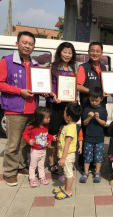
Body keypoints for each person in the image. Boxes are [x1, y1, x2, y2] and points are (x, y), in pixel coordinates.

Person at [0, 31, 39, 186]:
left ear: (34, 47)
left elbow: (40, 84)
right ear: (17, 43)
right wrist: (20, 91)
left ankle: (20, 166)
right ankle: (9, 172)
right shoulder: (7, 61)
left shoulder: (36, 65)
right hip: (14, 110)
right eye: (24, 42)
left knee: (26, 142)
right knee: (13, 143)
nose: (27, 46)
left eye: (31, 44)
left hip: (32, 110)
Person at [46, 42, 77, 175]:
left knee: (64, 135)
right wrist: (53, 95)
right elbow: (47, 85)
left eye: (70, 53)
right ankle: (51, 163)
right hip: (54, 105)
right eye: (65, 52)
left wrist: (74, 96)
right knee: (52, 135)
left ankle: (62, 159)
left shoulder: (72, 69)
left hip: (67, 106)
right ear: (59, 52)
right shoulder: (52, 67)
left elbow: (73, 87)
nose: (67, 55)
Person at [53, 102, 82, 200]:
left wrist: (63, 158)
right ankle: (65, 187)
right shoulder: (67, 126)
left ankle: (68, 191)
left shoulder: (70, 128)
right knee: (66, 173)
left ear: (68, 117)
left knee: (68, 174)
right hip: (65, 155)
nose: (63, 113)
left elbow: (67, 144)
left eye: (64, 112)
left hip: (68, 156)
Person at [22, 107, 56, 187]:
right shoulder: (32, 127)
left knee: (41, 165)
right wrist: (29, 140)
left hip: (43, 150)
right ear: (40, 118)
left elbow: (46, 135)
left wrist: (51, 137)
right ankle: (32, 179)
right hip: (35, 150)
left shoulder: (46, 126)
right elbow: (24, 134)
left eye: (49, 117)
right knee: (33, 165)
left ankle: (42, 177)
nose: (49, 119)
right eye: (47, 118)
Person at [80, 87, 107, 183]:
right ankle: (86, 172)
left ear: (101, 99)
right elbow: (84, 123)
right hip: (88, 138)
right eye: (92, 100)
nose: (94, 102)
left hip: (99, 138)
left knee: (98, 157)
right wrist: (88, 117)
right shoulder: (86, 109)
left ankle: (97, 172)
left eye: (96, 101)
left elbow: (104, 123)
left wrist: (98, 119)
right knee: (87, 156)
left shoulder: (103, 110)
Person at [76, 41, 107, 108]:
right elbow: (78, 86)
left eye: (98, 51)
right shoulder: (83, 67)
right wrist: (94, 93)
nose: (95, 53)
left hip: (101, 105)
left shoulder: (104, 68)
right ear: (88, 52)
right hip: (87, 105)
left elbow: (107, 86)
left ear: (101, 54)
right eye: (92, 51)